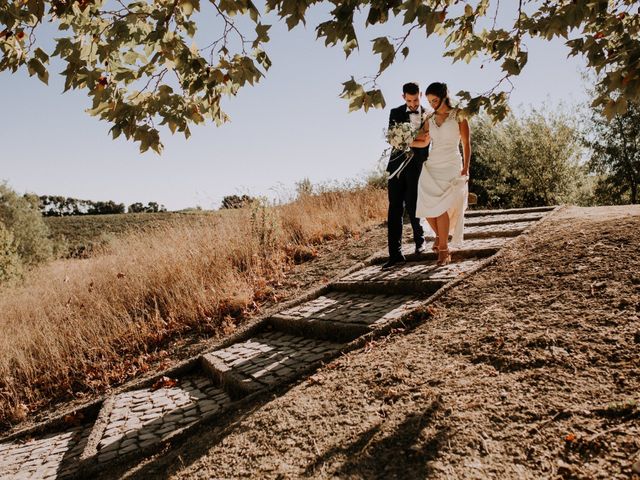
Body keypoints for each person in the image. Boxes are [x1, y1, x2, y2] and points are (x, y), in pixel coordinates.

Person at [416, 82, 471, 266]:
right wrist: (403, 142)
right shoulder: (429, 119)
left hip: (451, 164)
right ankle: (441, 238)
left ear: (444, 96)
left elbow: (466, 143)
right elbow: (423, 142)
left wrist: (466, 168)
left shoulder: (458, 115)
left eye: (435, 100)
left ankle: (444, 250)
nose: (432, 104)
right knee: (426, 206)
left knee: (442, 207)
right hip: (433, 164)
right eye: (429, 101)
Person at [383, 82, 431, 270]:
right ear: (403, 97)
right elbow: (393, 139)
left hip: (418, 165)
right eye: (409, 100)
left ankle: (420, 241)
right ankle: (395, 254)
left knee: (414, 204)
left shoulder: (428, 114)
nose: (412, 104)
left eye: (416, 99)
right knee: (394, 208)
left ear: (420, 95)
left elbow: (426, 142)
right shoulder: (395, 112)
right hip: (396, 166)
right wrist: (415, 139)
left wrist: (407, 140)